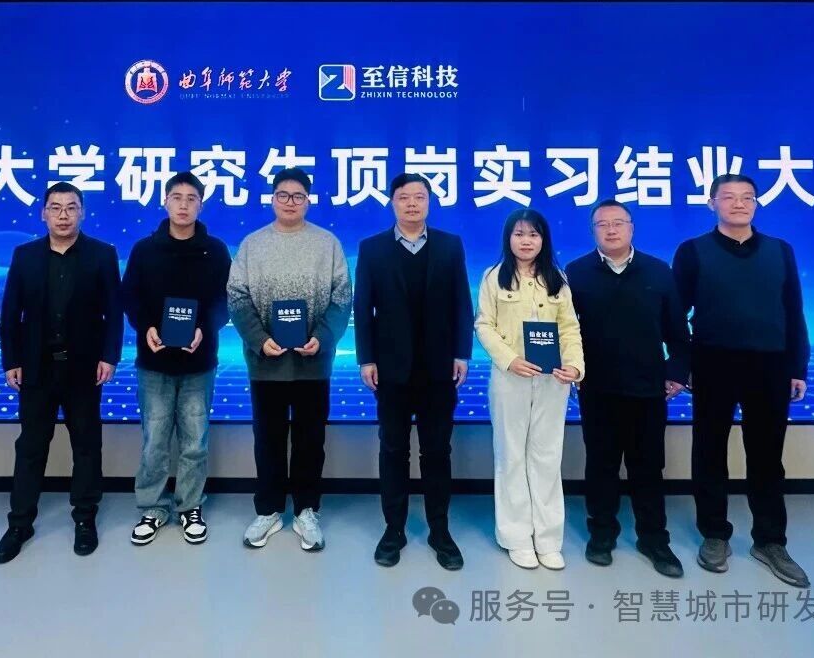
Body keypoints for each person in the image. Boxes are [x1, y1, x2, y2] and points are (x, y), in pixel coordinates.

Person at [672, 174, 811, 588]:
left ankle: (770, 541)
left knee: (767, 456)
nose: (738, 204)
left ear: (756, 203)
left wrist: (798, 367)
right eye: (729, 197)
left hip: (771, 365)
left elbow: (794, 311)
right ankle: (714, 534)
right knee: (709, 450)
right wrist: (682, 365)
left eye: (747, 197)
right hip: (713, 363)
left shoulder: (780, 251)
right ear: (711, 203)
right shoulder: (693, 251)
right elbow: (675, 316)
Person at [0, 181, 122, 564]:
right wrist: (11, 360)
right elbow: (10, 313)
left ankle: (85, 518)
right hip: (36, 367)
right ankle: (20, 523)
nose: (63, 215)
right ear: (43, 214)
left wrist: (109, 357)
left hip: (84, 368)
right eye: (56, 207)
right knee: (31, 446)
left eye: (71, 207)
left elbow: (113, 313)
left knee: (87, 445)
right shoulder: (25, 255)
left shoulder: (102, 254)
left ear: (82, 212)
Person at [228, 167, 352, 552]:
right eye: (283, 195)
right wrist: (260, 340)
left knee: (310, 440)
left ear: (308, 202)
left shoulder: (327, 244)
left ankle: (305, 510)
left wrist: (322, 338)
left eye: (298, 196)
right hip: (266, 363)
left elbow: (342, 297)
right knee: (268, 440)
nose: (290, 202)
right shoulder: (252, 245)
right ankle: (268, 510)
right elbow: (236, 297)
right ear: (272, 199)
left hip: (313, 363)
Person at [565, 199, 690, 577]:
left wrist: (677, 372)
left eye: (618, 223)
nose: (611, 229)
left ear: (631, 228)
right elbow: (566, 330)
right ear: (593, 231)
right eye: (602, 224)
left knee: (648, 466)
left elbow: (677, 331)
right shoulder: (576, 272)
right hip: (597, 388)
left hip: (647, 389)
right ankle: (601, 534)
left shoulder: (658, 270)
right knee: (600, 465)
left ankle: (654, 539)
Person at [354, 173, 472, 570]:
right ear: (393, 203)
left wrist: (462, 353)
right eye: (404, 198)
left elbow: (461, 302)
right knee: (393, 450)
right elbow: (362, 307)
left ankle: (440, 531)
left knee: (437, 451)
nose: (412, 204)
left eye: (419, 197)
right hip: (391, 370)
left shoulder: (450, 245)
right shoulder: (372, 248)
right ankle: (394, 530)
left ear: (429, 203)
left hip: (440, 368)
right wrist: (366, 359)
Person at [121, 172, 231, 546]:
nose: (183, 205)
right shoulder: (144, 249)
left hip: (199, 363)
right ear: (165, 201)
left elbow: (225, 301)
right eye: (177, 197)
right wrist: (146, 327)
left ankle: (189, 506)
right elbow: (130, 297)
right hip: (154, 362)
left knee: (194, 441)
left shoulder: (215, 250)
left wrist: (204, 328)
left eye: (191, 199)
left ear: (201, 205)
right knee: (154, 441)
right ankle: (152, 507)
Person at [474, 208, 583, 571]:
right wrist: (509, 360)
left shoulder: (557, 279)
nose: (526, 241)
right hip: (511, 378)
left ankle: (548, 539)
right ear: (508, 238)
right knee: (511, 456)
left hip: (553, 380)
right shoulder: (494, 277)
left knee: (547, 457)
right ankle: (516, 537)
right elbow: (484, 325)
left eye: (533, 234)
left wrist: (575, 366)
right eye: (519, 234)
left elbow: (569, 328)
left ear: (543, 239)